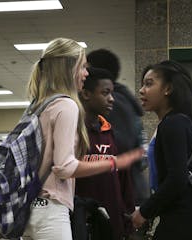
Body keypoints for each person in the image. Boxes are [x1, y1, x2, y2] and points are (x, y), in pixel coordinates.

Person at [21, 37, 143, 240]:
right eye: (83, 67)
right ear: (69, 69)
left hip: (30, 207)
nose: (86, 73)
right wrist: (114, 161)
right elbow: (64, 167)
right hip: (52, 208)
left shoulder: (38, 104)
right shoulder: (66, 105)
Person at [131, 60, 192, 239]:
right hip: (184, 214)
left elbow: (177, 178)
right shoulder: (176, 122)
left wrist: (145, 211)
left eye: (149, 84)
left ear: (168, 89)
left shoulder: (173, 124)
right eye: (143, 84)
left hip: (182, 216)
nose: (142, 90)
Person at [75, 67, 133, 240]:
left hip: (112, 225)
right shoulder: (72, 133)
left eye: (112, 93)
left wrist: (128, 221)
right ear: (86, 94)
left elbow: (124, 181)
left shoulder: (113, 134)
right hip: (80, 224)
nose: (111, 99)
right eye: (105, 93)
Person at [87, 49, 148, 210]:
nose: (83, 74)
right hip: (125, 191)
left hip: (126, 194)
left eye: (87, 68)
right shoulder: (121, 100)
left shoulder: (114, 105)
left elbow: (120, 148)